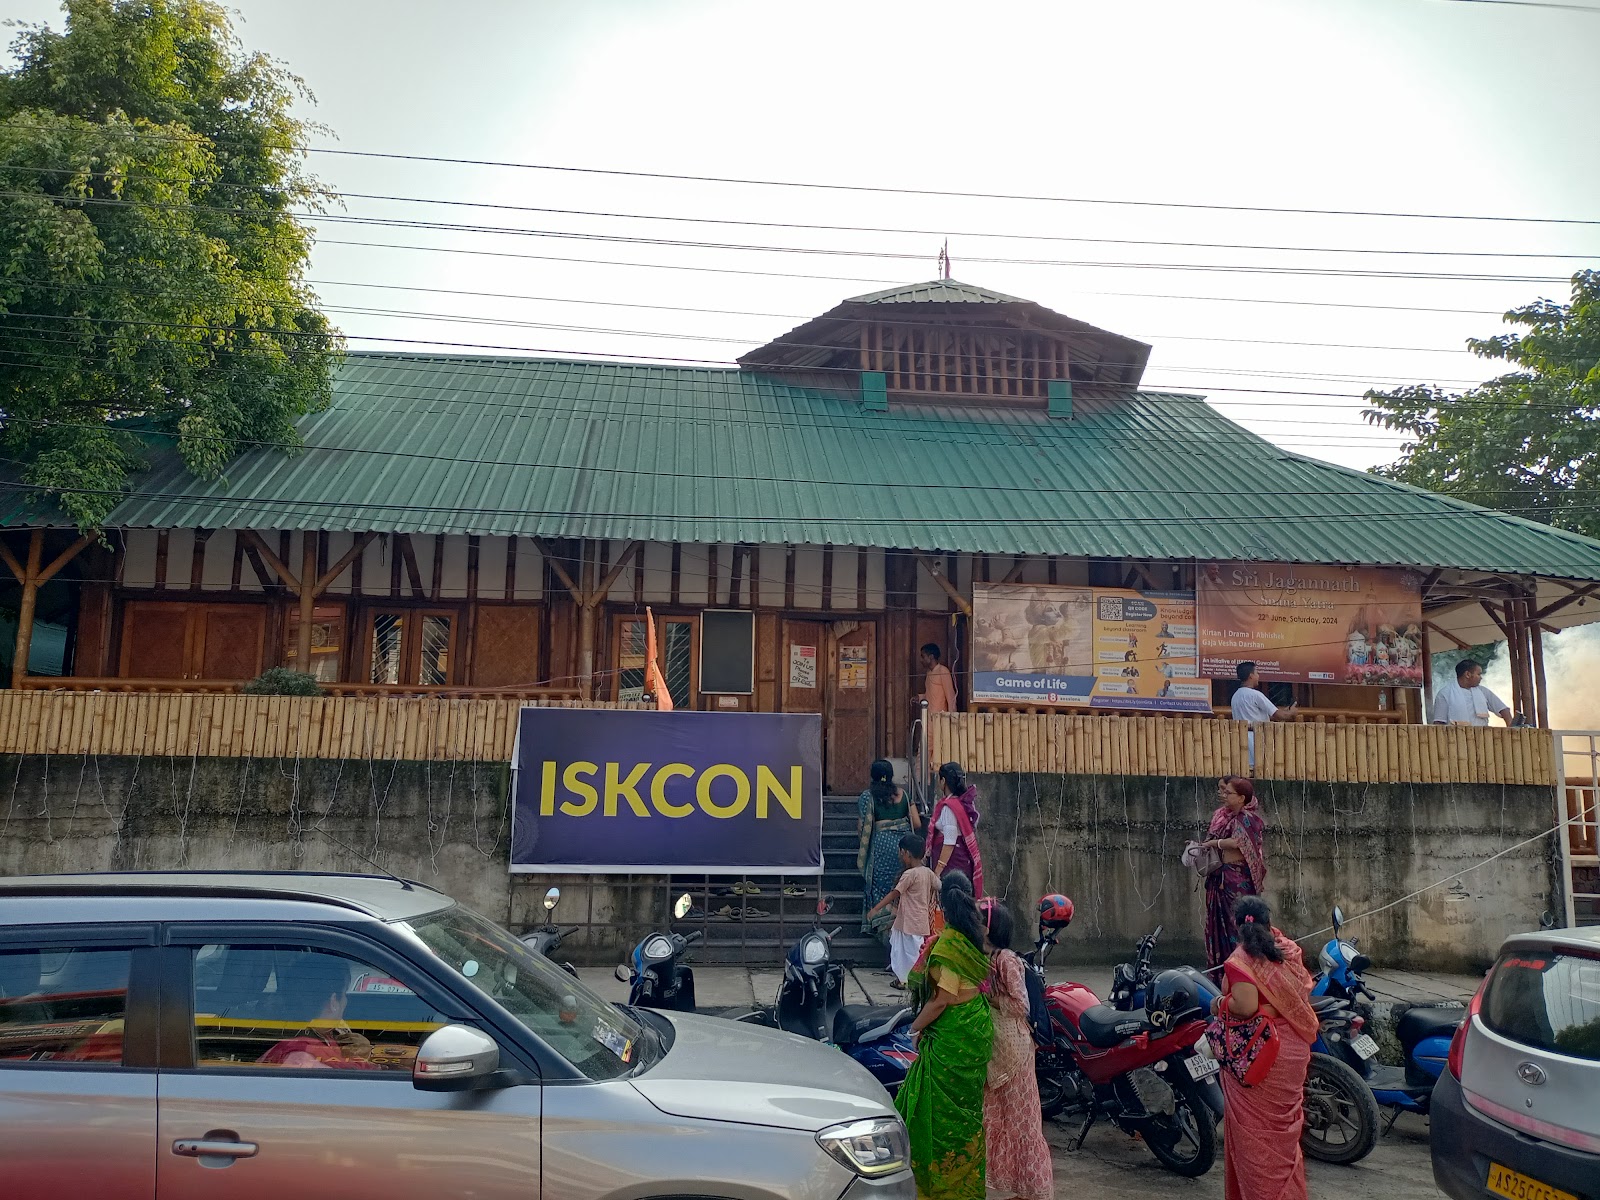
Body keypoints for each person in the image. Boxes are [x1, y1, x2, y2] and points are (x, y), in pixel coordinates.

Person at [1210, 895, 1318, 1200]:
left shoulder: (1241, 961)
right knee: (1284, 1141)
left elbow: (1244, 1006)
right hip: (1293, 1051)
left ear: (1237, 925)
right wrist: (1272, 1010)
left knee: (1257, 1144)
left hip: (1262, 1055)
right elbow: (1290, 998)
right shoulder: (1289, 950)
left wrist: (1217, 1003)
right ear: (1269, 923)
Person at [897, 872, 994, 1200]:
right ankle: (963, 1183)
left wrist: (915, 1027)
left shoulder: (949, 946)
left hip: (954, 1033)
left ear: (941, 905)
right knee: (966, 1113)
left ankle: (941, 1187)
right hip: (975, 1028)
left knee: (940, 1116)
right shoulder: (973, 935)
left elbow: (943, 998)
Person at [980, 902, 1052, 1200]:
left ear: (988, 928)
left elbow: (1021, 1005)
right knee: (999, 1119)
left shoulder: (1007, 960)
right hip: (999, 1051)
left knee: (1022, 1123)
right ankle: (1013, 1190)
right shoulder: (992, 957)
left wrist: (992, 1001)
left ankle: (1029, 1191)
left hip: (1016, 1052)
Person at [258, 952, 381, 1070]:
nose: (346, 1001)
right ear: (333, 1002)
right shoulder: (304, 1059)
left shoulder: (325, 1037)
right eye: (344, 994)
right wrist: (360, 1059)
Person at [1200, 776, 1267, 974]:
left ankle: (1244, 971)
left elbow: (1239, 843)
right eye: (1223, 791)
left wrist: (1214, 844)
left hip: (1237, 881)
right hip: (1219, 879)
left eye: (1228, 792)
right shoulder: (1222, 815)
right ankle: (1221, 972)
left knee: (1236, 925)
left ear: (1241, 798)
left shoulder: (1249, 819)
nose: (1224, 795)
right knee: (1217, 926)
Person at [857, 759, 922, 937]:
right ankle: (901, 927)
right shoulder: (904, 795)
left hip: (880, 849)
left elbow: (862, 829)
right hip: (904, 849)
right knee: (900, 886)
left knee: (880, 888)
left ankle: (881, 928)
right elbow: (916, 822)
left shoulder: (867, 797)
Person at [864, 834, 939, 986]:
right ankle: (905, 979)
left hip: (908, 922)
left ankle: (908, 979)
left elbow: (894, 893)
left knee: (905, 952)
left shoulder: (909, 874)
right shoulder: (928, 873)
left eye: (901, 852)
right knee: (911, 950)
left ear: (906, 853)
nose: (900, 855)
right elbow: (939, 886)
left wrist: (876, 909)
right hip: (920, 921)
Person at [928, 762, 984, 896]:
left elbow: (949, 841)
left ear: (943, 781)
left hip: (952, 866)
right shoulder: (963, 803)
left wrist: (937, 872)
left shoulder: (949, 808)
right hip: (960, 862)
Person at [1431, 658, 1513, 726]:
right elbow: (1439, 722)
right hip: (1455, 741)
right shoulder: (1444, 693)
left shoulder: (1483, 691)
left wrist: (1511, 729)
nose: (1481, 678)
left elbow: (1504, 710)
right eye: (1478, 674)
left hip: (1483, 738)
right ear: (1467, 674)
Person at [916, 643, 958, 715]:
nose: (921, 660)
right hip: (928, 715)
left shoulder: (943, 671)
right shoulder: (929, 673)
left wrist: (952, 717)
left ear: (931, 657)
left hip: (940, 718)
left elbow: (950, 697)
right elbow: (932, 695)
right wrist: (920, 697)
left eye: (923, 657)